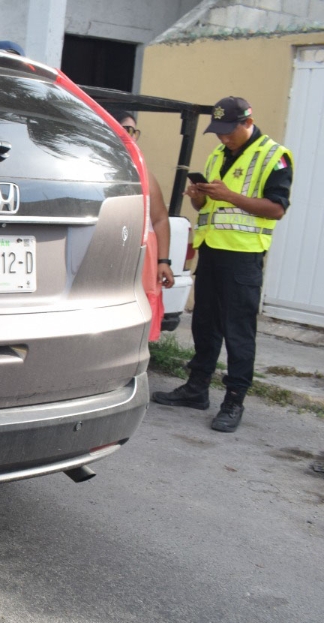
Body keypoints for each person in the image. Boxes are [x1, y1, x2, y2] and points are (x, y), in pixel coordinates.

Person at [152, 96, 294, 433]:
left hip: (244, 257)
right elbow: (209, 208)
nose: (223, 138)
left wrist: (229, 195)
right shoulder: (218, 154)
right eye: (218, 132)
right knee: (205, 323)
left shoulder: (275, 156)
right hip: (212, 251)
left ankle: (234, 400)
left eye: (229, 132)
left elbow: (276, 208)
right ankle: (197, 388)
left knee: (238, 331)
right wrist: (200, 197)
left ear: (248, 122)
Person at [113, 110, 175, 342]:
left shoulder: (143, 172)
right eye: (125, 130)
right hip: (111, 251)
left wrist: (164, 261)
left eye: (133, 131)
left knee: (138, 323)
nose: (131, 137)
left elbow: (159, 219)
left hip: (143, 258)